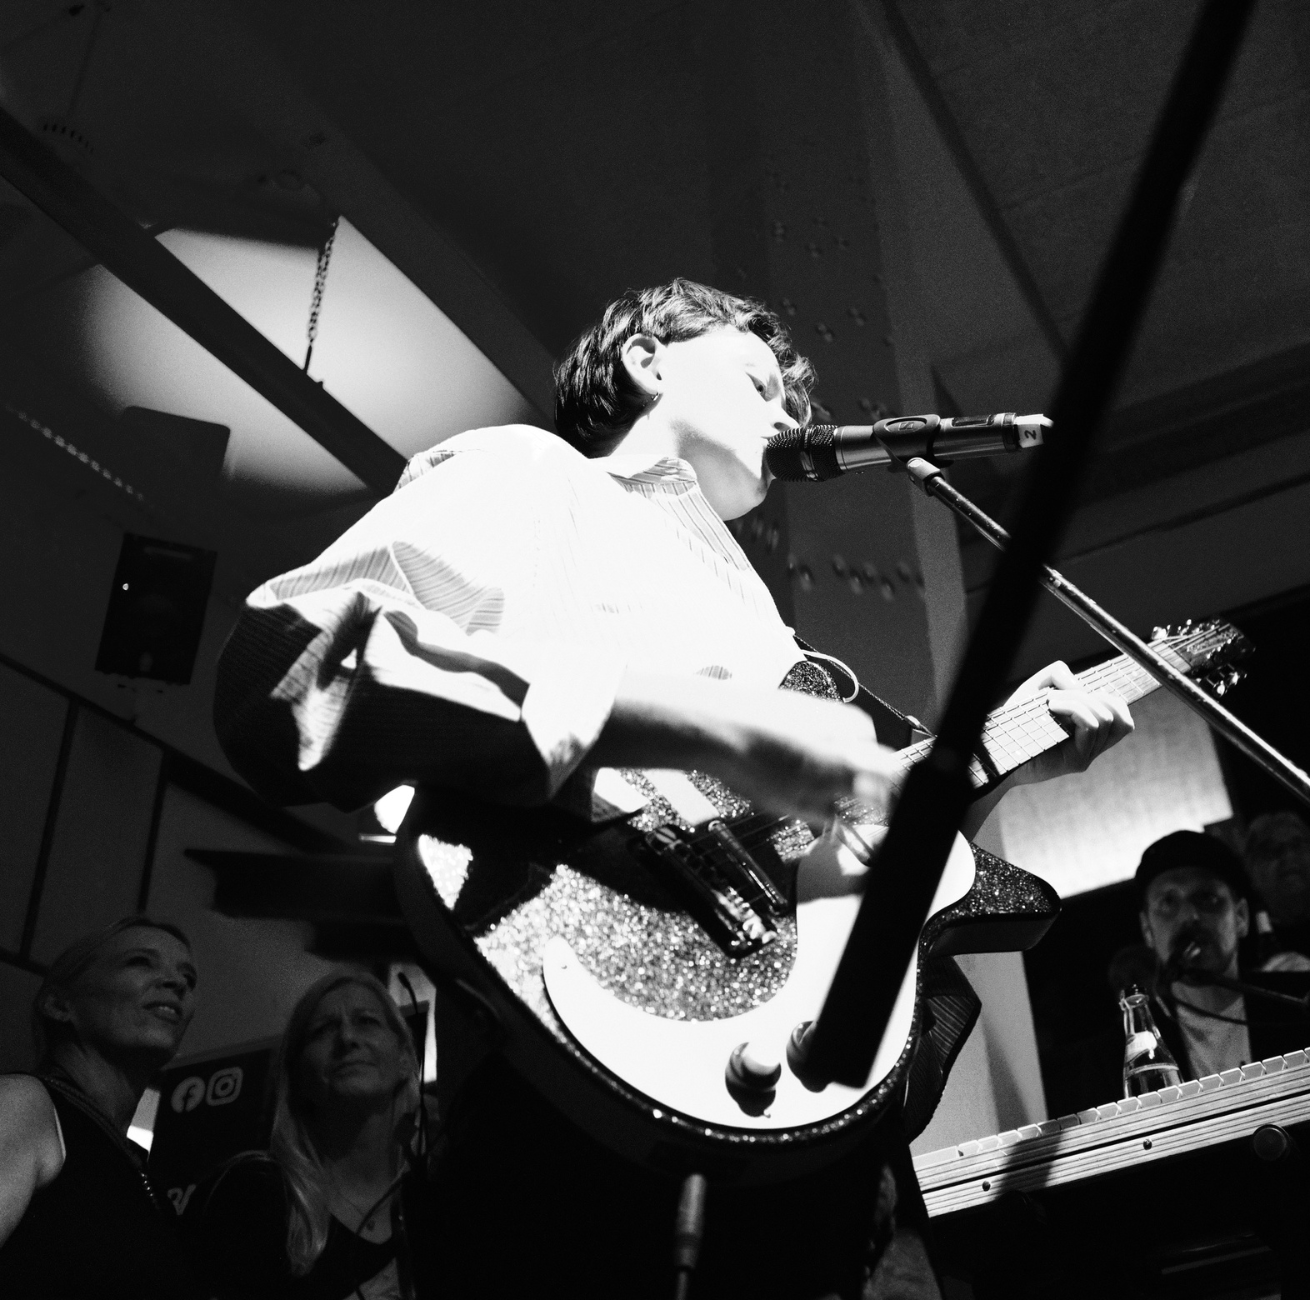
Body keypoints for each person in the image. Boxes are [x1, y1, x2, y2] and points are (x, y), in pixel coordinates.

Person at [211, 278, 1133, 1297]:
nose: (790, 412)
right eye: (760, 381)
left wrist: (994, 770)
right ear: (647, 361)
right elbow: (288, 671)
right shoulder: (536, 477)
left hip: (819, 1150)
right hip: (579, 1112)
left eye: (793, 398)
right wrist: (700, 722)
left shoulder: (765, 625)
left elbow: (850, 890)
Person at [186, 972, 428, 1299]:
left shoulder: (434, 1204)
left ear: (404, 1059)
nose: (347, 1038)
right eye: (323, 1030)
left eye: (367, 1021)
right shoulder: (250, 1193)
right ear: (298, 1076)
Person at [0, 916, 202, 1299]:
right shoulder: (25, 1104)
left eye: (188, 979)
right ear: (59, 1004)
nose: (176, 983)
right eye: (140, 962)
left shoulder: (138, 1173)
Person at [1131, 831, 1310, 1082]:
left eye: (1207, 898)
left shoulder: (1307, 1008)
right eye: (1168, 903)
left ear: (1241, 917)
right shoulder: (1130, 1045)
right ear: (1147, 929)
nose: (1189, 916)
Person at [1240, 811, 1310, 965]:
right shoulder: (1245, 947)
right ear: (1251, 872)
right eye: (1272, 849)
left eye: (1297, 845)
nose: (1288, 856)